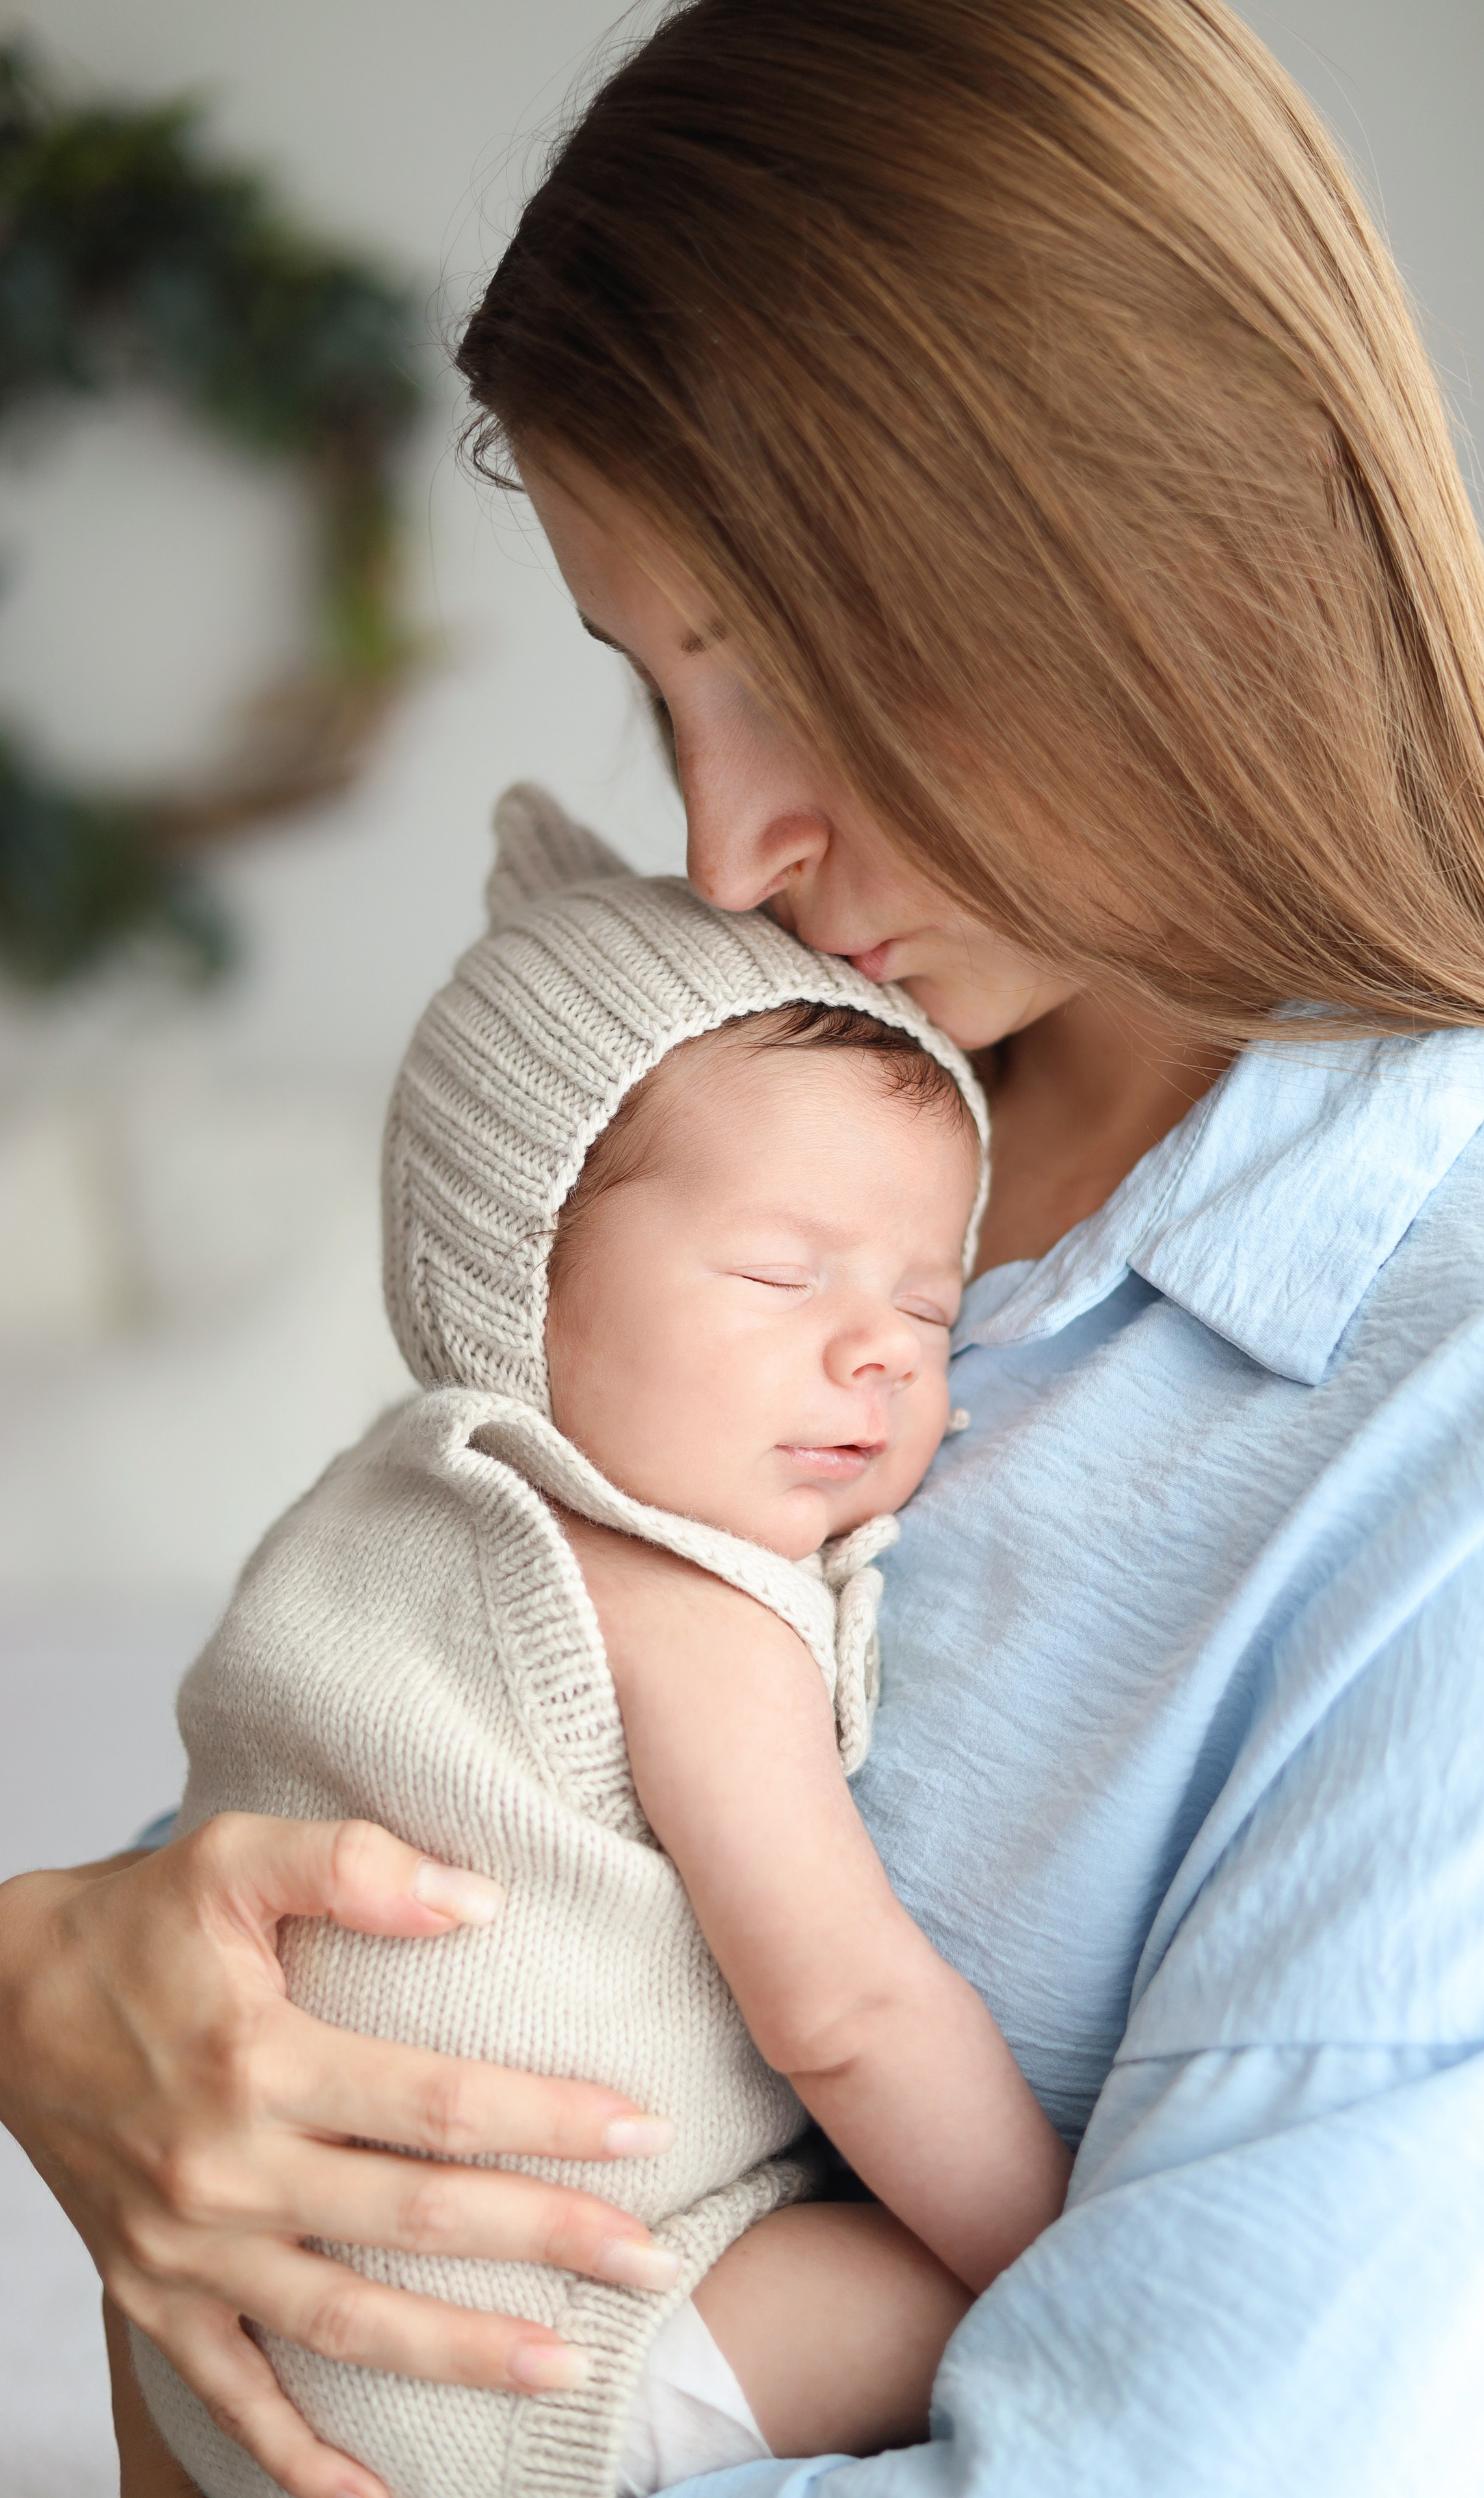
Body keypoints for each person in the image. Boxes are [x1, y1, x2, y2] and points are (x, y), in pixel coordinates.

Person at [4, 3, 1484, 2493]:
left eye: (791, 662)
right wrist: (52, 1975)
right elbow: (386, 1772)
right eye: (665, 692)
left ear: (1158, 534)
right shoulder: (793, 1116)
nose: (724, 849)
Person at [126, 798, 1070, 2498]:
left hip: (239, 2320)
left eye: (930, 1305)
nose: (877, 1353)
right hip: (505, 2342)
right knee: (950, 2302)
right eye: (783, 1274)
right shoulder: (678, 1608)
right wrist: (1081, 2255)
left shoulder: (381, 1513)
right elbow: (847, 2009)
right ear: (517, 1284)